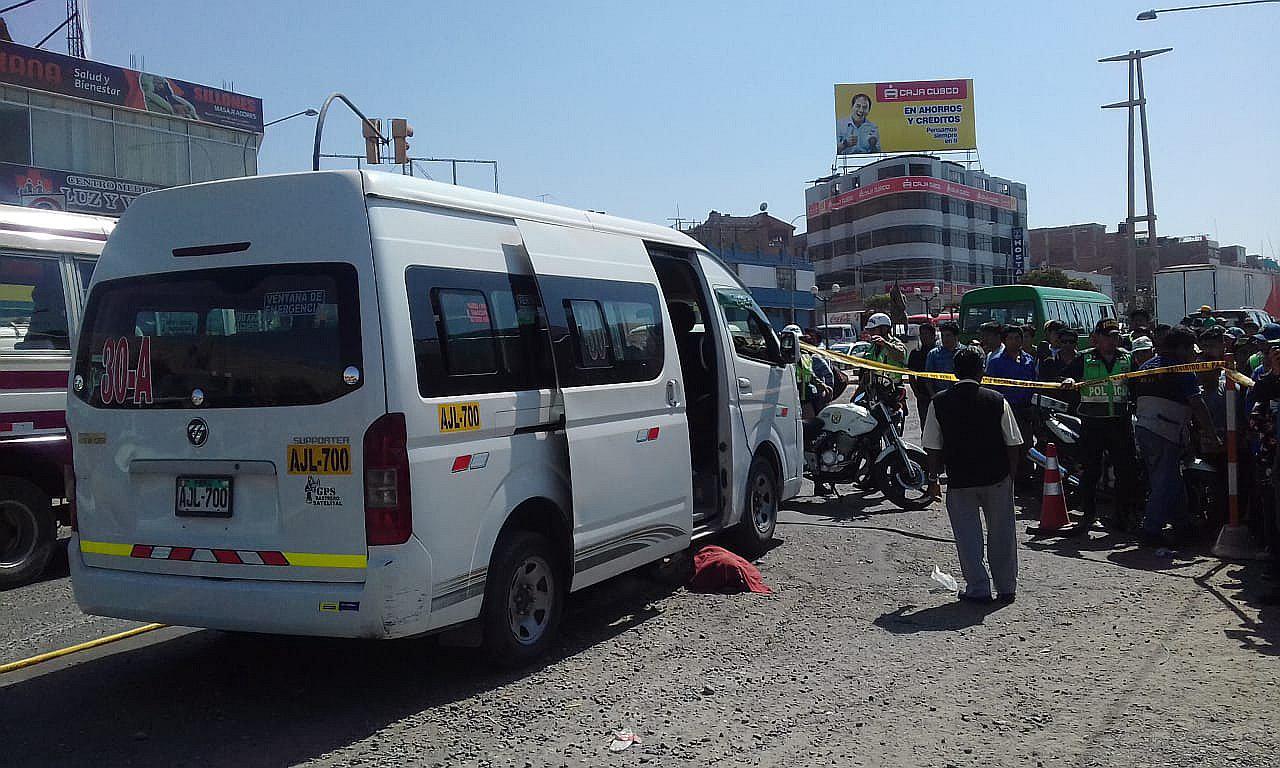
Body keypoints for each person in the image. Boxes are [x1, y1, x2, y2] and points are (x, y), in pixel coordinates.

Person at [923, 347, 1022, 604]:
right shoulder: (997, 399)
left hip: (960, 480)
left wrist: (933, 481)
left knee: (968, 538)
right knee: (1002, 534)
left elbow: (932, 447)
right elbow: (1013, 442)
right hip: (997, 477)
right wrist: (1010, 477)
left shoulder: (939, 403)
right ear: (982, 370)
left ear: (954, 372)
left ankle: (978, 588)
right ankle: (1006, 587)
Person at [1132, 325, 1223, 547]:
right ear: (1180, 349)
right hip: (1164, 431)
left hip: (1145, 430)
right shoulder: (1182, 371)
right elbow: (1198, 404)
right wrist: (1212, 435)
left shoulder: (1146, 367)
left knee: (1172, 480)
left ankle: (1183, 525)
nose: (1194, 354)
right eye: (1191, 349)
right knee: (1164, 482)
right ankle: (1151, 529)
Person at [1072, 319, 1141, 533]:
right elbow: (1064, 377)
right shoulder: (1083, 358)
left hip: (1119, 423)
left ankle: (1122, 516)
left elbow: (1137, 386)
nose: (1113, 340)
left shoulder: (1128, 358)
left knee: (1125, 471)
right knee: (1090, 472)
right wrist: (1066, 380)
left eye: (1115, 336)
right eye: (1108, 335)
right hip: (1092, 424)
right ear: (1097, 338)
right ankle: (1089, 515)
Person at [984, 325, 1038, 456]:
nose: (1015, 341)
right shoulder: (995, 362)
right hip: (1004, 410)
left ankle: (1025, 474)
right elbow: (990, 387)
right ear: (1004, 340)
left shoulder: (1029, 360)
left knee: (1026, 447)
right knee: (1006, 447)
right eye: (1011, 338)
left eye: (1017, 338)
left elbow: (1034, 384)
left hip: (1025, 411)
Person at [1037, 327, 1084, 410]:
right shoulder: (1049, 363)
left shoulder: (1083, 362)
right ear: (1059, 343)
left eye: (1071, 341)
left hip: (1079, 407)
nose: (1067, 344)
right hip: (1055, 407)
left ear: (1076, 343)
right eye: (1064, 341)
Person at [907, 321, 937, 429]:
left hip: (939, 393)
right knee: (925, 427)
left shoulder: (939, 353)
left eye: (926, 334)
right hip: (923, 396)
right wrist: (917, 393)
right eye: (922, 334)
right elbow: (911, 376)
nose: (924, 337)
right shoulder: (916, 353)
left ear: (933, 335)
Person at [925, 321, 961, 396]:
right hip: (940, 395)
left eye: (948, 335)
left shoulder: (964, 352)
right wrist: (933, 396)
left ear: (956, 336)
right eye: (942, 336)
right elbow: (928, 378)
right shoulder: (934, 354)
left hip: (961, 395)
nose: (945, 339)